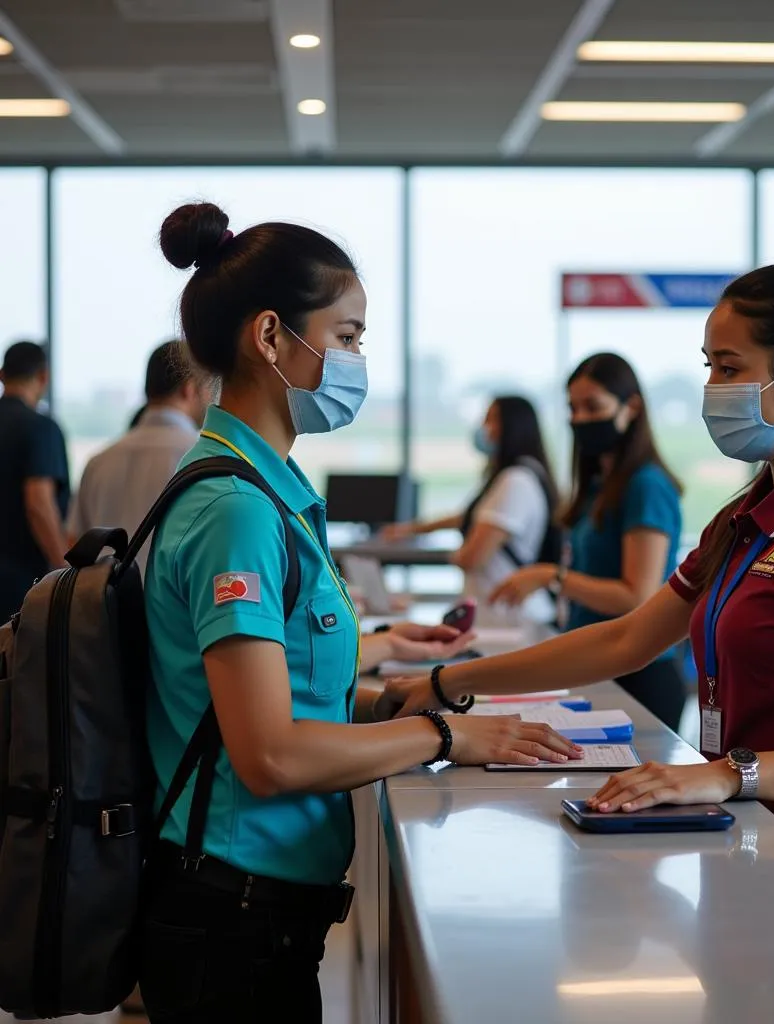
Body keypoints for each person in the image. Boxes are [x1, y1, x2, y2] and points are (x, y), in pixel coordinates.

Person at [383, 264, 774, 956]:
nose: (713, 389)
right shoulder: (745, 519)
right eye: (710, 367)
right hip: (757, 855)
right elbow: (625, 638)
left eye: (730, 367)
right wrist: (450, 683)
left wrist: (725, 773)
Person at [138, 202, 580, 1024]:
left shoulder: (266, 492)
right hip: (229, 910)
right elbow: (267, 755)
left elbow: (277, 691)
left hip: (261, 904)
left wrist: (395, 698)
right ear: (270, 337)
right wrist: (444, 737)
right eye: (344, 338)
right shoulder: (236, 509)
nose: (356, 360)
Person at [490, 353, 685, 729]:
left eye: (592, 407)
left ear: (631, 408)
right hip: (595, 662)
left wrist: (552, 576)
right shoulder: (598, 486)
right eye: (572, 408)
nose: (579, 419)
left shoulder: (646, 485)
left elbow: (637, 596)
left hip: (639, 675)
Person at [382, 395, 559, 623]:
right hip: (502, 614)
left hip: (512, 617)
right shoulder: (518, 475)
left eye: (491, 420)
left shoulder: (516, 481)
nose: (484, 429)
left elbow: (472, 558)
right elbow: (472, 517)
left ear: (514, 427)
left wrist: (456, 554)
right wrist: (412, 530)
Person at [67, 340, 212, 575]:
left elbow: (74, 543)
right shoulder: (204, 459)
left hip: (101, 606)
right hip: (174, 609)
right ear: (189, 389)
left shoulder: (98, 462)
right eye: (208, 388)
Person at [0, 341, 70, 622]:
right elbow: (38, 504)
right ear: (43, 376)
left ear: (2, 375)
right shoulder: (40, 428)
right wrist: (65, 570)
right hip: (21, 586)